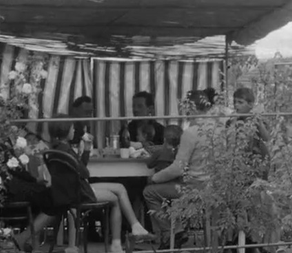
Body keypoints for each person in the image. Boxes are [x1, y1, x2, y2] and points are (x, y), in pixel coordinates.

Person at [49, 115, 153, 253]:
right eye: (72, 127)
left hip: (71, 189)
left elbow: (80, 169)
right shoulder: (67, 150)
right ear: (66, 130)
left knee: (120, 188)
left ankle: (135, 226)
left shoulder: (55, 149)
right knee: (115, 199)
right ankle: (117, 243)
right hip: (79, 191)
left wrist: (86, 149)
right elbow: (85, 173)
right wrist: (84, 155)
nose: (74, 130)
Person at [143, 88, 218, 249]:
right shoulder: (218, 129)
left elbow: (178, 168)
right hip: (215, 187)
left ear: (190, 107)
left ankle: (174, 231)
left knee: (149, 192)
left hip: (193, 188)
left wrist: (155, 178)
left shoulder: (191, 133)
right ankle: (177, 231)